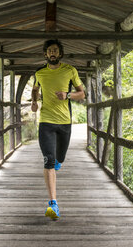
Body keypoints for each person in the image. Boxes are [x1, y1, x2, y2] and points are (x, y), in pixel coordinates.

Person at [31, 39, 85, 220]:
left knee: (58, 159)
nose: (52, 53)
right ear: (46, 54)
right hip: (46, 121)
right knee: (48, 161)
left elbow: (82, 94)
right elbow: (35, 89)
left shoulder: (70, 70)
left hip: (64, 122)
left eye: (55, 50)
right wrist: (34, 101)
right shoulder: (39, 72)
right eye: (49, 51)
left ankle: (58, 162)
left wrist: (67, 95)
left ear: (60, 53)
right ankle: (53, 204)